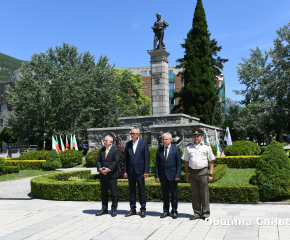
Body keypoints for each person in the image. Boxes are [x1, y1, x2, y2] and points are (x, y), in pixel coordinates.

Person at [183, 128, 215, 220]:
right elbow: (186, 162)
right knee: (195, 193)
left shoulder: (206, 146)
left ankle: (205, 214)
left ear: (201, 137)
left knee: (204, 193)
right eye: (194, 136)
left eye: (198, 136)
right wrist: (187, 175)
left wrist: (211, 174)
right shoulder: (188, 147)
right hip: (192, 172)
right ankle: (197, 213)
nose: (196, 138)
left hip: (203, 172)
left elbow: (211, 161)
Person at [124, 128, 150, 218]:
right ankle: (132, 209)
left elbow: (147, 158)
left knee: (141, 190)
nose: (132, 135)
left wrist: (146, 171)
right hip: (130, 171)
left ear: (138, 135)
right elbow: (126, 159)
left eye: (133, 134)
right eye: (131, 133)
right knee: (132, 191)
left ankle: (143, 209)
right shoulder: (128, 144)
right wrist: (125, 171)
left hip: (140, 171)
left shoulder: (143, 143)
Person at [155, 133, 182, 219]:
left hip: (173, 176)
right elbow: (157, 164)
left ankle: (174, 211)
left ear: (170, 140)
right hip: (163, 176)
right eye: (163, 140)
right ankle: (165, 211)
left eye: (166, 139)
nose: (164, 141)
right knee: (165, 195)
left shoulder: (176, 149)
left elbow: (179, 163)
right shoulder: (159, 150)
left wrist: (178, 174)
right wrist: (157, 175)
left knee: (174, 194)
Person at [96, 135, 121, 217]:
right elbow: (98, 160)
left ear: (111, 142)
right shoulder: (102, 150)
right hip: (103, 175)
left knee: (114, 193)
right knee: (104, 193)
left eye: (106, 140)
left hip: (112, 175)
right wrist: (100, 169)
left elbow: (116, 161)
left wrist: (108, 169)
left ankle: (114, 210)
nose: (104, 142)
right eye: (104, 140)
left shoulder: (116, 150)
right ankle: (104, 209)